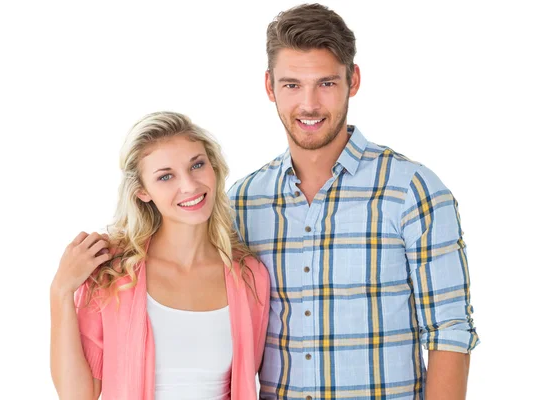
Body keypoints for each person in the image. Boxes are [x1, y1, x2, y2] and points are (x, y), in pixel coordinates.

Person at [228, 4, 479, 399]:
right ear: (269, 86)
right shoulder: (242, 202)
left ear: (353, 80)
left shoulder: (411, 190)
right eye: (292, 84)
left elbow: (449, 332)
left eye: (326, 83)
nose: (309, 104)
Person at [50, 111, 270, 400]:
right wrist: (60, 292)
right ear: (143, 192)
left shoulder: (249, 275)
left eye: (197, 165)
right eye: (166, 176)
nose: (190, 185)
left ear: (213, 167)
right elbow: (77, 395)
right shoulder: (113, 273)